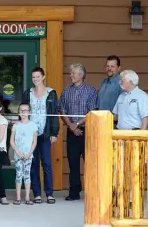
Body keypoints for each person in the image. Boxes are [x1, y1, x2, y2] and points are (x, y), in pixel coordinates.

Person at [58, 63, 98, 201]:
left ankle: (92, 192)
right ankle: (74, 192)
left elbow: (92, 111)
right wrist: (70, 125)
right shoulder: (66, 91)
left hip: (86, 131)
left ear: (81, 75)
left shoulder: (91, 91)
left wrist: (77, 124)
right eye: (71, 73)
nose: (71, 75)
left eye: (74, 73)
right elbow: (61, 110)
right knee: (73, 163)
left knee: (90, 162)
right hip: (71, 132)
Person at [22, 67, 59, 204]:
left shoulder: (51, 93)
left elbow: (54, 113)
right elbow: (23, 112)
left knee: (47, 164)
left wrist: (54, 133)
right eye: (33, 77)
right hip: (31, 134)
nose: (35, 79)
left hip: (45, 133)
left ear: (43, 77)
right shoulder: (28, 93)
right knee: (33, 164)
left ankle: (49, 194)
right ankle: (37, 194)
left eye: (38, 76)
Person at [10, 103, 37, 205]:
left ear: (29, 112)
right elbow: (12, 141)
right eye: (21, 110)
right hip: (18, 155)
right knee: (18, 175)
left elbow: (34, 140)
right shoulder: (16, 125)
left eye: (25, 110)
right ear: (18, 112)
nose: (23, 113)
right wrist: (17, 151)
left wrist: (29, 153)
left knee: (27, 175)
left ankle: (27, 197)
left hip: (28, 155)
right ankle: (17, 197)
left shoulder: (33, 125)